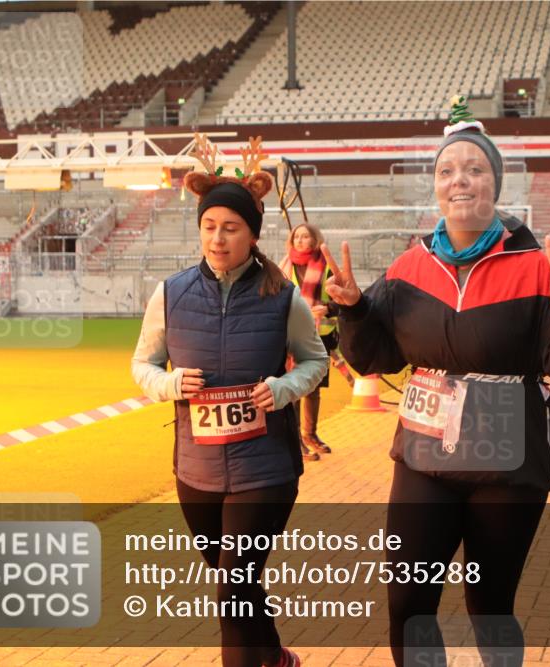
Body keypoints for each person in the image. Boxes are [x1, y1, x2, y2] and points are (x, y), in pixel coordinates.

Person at [321, 97, 550, 667]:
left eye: (475, 169)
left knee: (490, 605)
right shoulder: (410, 267)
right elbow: (374, 360)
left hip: (506, 462)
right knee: (408, 603)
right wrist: (355, 309)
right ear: (434, 186)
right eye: (446, 171)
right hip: (424, 458)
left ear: (495, 183)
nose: (460, 181)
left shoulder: (537, 267)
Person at [131, 134, 327, 667]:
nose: (218, 239)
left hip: (264, 468)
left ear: (252, 233)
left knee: (233, 586)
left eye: (231, 228)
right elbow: (141, 366)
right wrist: (170, 385)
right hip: (195, 469)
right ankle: (276, 657)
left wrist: (283, 390)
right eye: (209, 227)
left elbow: (316, 362)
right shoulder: (169, 294)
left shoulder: (283, 297)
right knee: (232, 582)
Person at [279, 223, 340, 462]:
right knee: (294, 387)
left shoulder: (327, 267)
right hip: (292, 336)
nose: (301, 241)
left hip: (321, 337)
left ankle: (310, 435)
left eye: (306, 236)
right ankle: (294, 442)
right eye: (297, 237)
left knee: (313, 388)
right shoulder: (283, 267)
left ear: (315, 240)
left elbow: (343, 300)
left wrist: (327, 308)